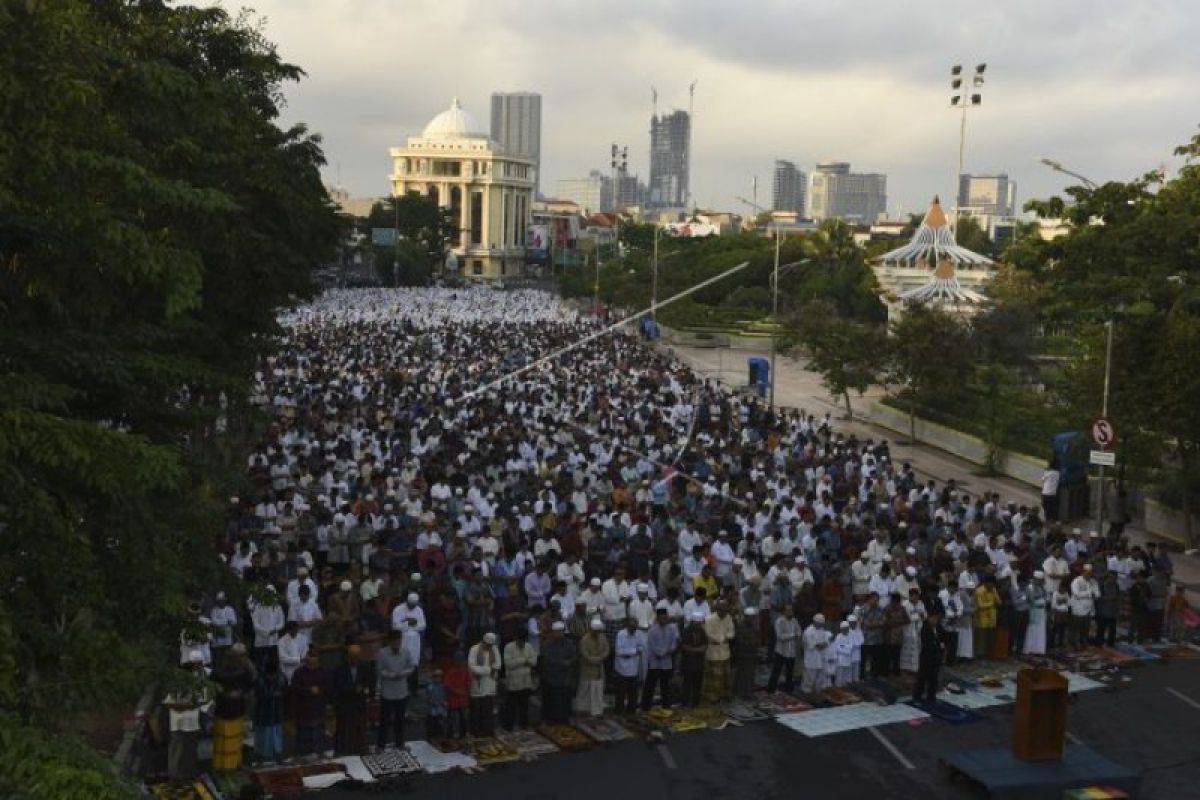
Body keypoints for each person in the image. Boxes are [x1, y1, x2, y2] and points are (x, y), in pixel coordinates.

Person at [165, 651, 212, 781]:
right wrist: (185, 706)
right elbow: (169, 703)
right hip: (183, 723)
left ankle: (187, 775)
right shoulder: (178, 685)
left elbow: (200, 701)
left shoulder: (195, 683)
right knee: (181, 750)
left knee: (187, 751)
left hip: (189, 723)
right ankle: (176, 776)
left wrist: (180, 706)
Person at [211, 643, 256, 772]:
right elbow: (213, 683)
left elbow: (251, 684)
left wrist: (241, 692)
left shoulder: (247, 667)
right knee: (223, 740)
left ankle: (235, 764)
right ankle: (221, 766)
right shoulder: (221, 668)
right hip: (223, 708)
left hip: (238, 708)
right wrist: (224, 693)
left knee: (236, 739)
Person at [376, 630, 415, 749]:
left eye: (399, 641)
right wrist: (390, 675)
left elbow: (411, 667)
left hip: (402, 690)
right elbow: (379, 670)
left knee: (400, 720)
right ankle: (381, 745)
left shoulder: (405, 652)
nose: (397, 643)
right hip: (387, 691)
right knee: (385, 720)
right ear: (390, 641)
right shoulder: (382, 653)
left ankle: (399, 743)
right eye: (395, 641)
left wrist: (403, 673)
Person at [333, 644, 372, 755]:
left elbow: (367, 682)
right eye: (353, 657)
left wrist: (365, 690)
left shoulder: (364, 667)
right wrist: (355, 689)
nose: (355, 660)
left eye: (357, 657)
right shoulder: (340, 669)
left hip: (360, 703)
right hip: (345, 703)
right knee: (343, 729)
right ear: (348, 657)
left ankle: (360, 749)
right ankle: (342, 750)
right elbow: (339, 686)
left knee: (360, 727)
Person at [291, 651, 329, 757]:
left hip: (318, 707)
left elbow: (328, 686)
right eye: (310, 663)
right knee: (303, 733)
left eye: (314, 663)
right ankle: (302, 754)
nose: (312, 666)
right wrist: (308, 690)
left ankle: (319, 752)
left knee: (319, 732)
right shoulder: (298, 672)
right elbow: (294, 688)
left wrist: (320, 690)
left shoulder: (323, 671)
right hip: (303, 708)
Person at [642, 605, 679, 709]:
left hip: (666, 662)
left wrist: (668, 652)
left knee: (665, 686)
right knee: (650, 685)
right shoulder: (652, 631)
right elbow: (653, 647)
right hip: (655, 662)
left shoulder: (672, 628)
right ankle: (645, 706)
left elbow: (674, 643)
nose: (664, 619)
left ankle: (666, 706)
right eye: (662, 617)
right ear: (657, 618)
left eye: (665, 617)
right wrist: (663, 653)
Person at [540, 621, 578, 722]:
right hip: (552, 677)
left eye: (561, 632)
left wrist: (569, 662)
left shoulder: (569, 643)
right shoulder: (548, 644)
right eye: (557, 632)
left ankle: (564, 719)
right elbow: (547, 660)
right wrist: (562, 663)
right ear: (553, 632)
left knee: (565, 701)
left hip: (565, 677)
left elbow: (574, 657)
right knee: (553, 703)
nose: (559, 634)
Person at [253, 651, 285, 765]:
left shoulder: (280, 677)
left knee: (275, 735)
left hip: (275, 712)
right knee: (263, 736)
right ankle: (261, 758)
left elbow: (284, 691)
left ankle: (277, 757)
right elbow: (260, 695)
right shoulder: (260, 679)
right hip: (264, 713)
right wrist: (273, 695)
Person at [467, 631, 502, 736]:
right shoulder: (474, 649)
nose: (490, 647)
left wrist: (487, 670)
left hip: (490, 683)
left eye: (491, 645)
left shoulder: (494, 649)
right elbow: (472, 667)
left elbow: (498, 665)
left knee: (488, 710)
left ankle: (488, 731)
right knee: (476, 711)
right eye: (488, 645)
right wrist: (488, 670)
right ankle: (476, 732)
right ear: (484, 642)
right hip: (478, 683)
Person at [502, 626, 537, 729]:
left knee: (524, 707)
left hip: (526, 682)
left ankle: (524, 726)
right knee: (511, 707)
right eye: (520, 641)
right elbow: (508, 664)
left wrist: (519, 661)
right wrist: (524, 660)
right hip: (513, 682)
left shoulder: (529, 646)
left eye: (523, 641)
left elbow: (534, 662)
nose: (522, 643)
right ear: (515, 638)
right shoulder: (508, 647)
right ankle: (508, 726)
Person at [703, 601, 735, 705]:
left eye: (725, 610)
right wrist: (722, 639)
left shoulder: (728, 617)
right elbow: (708, 634)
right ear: (717, 609)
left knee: (725, 676)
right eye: (722, 610)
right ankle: (712, 697)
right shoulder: (709, 619)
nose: (724, 612)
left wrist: (726, 638)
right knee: (714, 677)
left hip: (725, 652)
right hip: (713, 652)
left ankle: (724, 695)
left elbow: (731, 632)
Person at [576, 617, 610, 717]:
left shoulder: (602, 637)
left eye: (599, 631)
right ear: (591, 630)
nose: (597, 633)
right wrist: (597, 660)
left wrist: (600, 658)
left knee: (598, 691)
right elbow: (585, 655)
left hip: (599, 670)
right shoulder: (584, 640)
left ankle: (597, 711)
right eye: (596, 631)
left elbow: (607, 649)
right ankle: (583, 710)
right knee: (585, 690)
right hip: (588, 670)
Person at [912, 610, 945, 705]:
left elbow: (943, 639)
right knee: (922, 677)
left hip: (937, 656)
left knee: (934, 677)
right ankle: (917, 696)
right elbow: (927, 643)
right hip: (926, 656)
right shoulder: (925, 628)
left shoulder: (939, 627)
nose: (935, 620)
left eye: (936, 619)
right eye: (933, 618)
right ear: (929, 618)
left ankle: (931, 696)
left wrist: (939, 645)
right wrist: (938, 644)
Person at [613, 616, 643, 714]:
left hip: (634, 668)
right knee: (620, 694)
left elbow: (641, 648)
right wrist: (633, 652)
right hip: (622, 669)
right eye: (632, 627)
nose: (633, 629)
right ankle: (619, 712)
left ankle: (631, 712)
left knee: (633, 694)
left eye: (635, 627)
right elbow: (619, 651)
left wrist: (629, 653)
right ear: (628, 626)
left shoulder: (638, 634)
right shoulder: (621, 634)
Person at [767, 603, 800, 693]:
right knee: (776, 671)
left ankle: (788, 689)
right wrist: (793, 635)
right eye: (788, 610)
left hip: (791, 651)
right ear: (783, 612)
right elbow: (780, 637)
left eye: (791, 610)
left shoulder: (794, 621)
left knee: (790, 672)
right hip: (781, 651)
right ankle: (771, 689)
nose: (790, 612)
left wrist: (795, 635)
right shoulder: (779, 621)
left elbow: (799, 631)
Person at [679, 612, 708, 707]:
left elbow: (704, 647)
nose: (698, 625)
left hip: (699, 664)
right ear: (692, 622)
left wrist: (694, 650)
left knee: (698, 685)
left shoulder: (702, 631)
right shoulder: (686, 631)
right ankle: (685, 704)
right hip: (688, 663)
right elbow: (685, 647)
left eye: (699, 623)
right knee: (687, 685)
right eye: (697, 623)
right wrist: (698, 650)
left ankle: (695, 704)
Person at [733, 607, 761, 697]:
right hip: (743, 654)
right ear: (745, 617)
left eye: (753, 617)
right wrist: (750, 642)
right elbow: (740, 640)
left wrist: (755, 643)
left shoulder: (755, 626)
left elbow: (757, 639)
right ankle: (740, 692)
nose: (751, 619)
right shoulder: (740, 626)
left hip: (752, 654)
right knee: (742, 674)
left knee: (750, 674)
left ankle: (747, 691)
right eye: (750, 617)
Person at [1069, 566, 1099, 649]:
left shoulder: (1094, 581)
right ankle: (1075, 643)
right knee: (1076, 627)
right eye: (1088, 572)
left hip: (1089, 608)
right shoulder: (1077, 581)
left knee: (1086, 627)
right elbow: (1076, 594)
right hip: (1078, 608)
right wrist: (1089, 594)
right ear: (1083, 572)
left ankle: (1084, 642)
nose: (1089, 574)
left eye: (1091, 573)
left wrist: (1087, 594)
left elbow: (1097, 594)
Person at [801, 613, 831, 693]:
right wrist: (822, 644)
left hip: (820, 658)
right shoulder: (808, 631)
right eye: (820, 623)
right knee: (809, 679)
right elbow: (816, 646)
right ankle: (806, 694)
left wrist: (822, 644)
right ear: (815, 622)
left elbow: (826, 642)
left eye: (822, 624)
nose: (821, 625)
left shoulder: (822, 630)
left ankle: (817, 693)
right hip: (811, 659)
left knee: (819, 678)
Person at [973, 578, 999, 659]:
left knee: (990, 637)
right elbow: (980, 605)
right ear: (986, 583)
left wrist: (995, 595)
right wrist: (992, 603)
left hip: (992, 617)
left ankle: (988, 653)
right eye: (991, 584)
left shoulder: (993, 590)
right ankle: (979, 654)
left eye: (993, 585)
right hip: (982, 618)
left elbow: (999, 602)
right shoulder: (979, 591)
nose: (992, 586)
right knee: (981, 638)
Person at [1024, 571, 1048, 655]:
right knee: (1032, 630)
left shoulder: (1042, 588)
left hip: (1042, 612)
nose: (1040, 582)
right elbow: (1030, 599)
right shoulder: (1030, 587)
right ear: (1035, 579)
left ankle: (1039, 650)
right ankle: (1030, 649)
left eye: (1041, 580)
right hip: (1034, 611)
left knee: (1040, 631)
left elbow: (1046, 598)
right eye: (1039, 580)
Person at [832, 621, 855, 687]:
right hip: (840, 659)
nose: (845, 630)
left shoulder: (850, 636)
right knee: (839, 674)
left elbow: (851, 647)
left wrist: (843, 646)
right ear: (841, 629)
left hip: (848, 658)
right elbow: (837, 647)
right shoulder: (838, 637)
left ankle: (845, 685)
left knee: (846, 674)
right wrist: (846, 647)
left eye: (847, 628)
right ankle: (838, 685)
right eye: (844, 629)